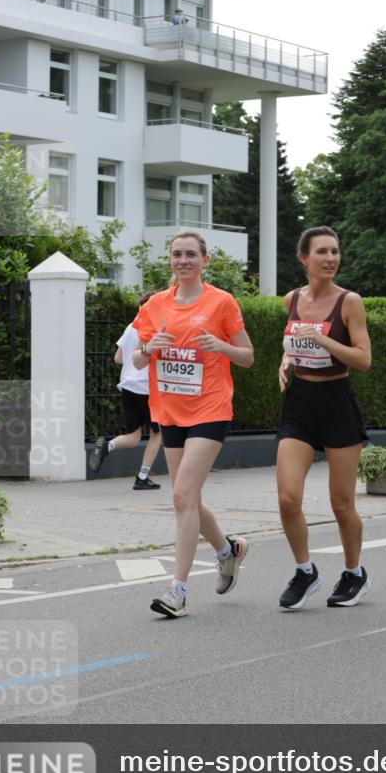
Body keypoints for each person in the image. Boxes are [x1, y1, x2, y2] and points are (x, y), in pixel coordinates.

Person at [132, 231, 254, 618]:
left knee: (182, 495)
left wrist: (223, 348)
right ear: (170, 260)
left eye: (190, 254)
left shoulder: (221, 302)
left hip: (210, 408)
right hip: (170, 412)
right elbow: (136, 360)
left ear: (204, 260)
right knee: (190, 500)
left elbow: (248, 356)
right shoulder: (155, 305)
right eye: (176, 254)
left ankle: (178, 592)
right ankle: (227, 550)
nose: (183, 260)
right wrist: (149, 349)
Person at [276, 226, 372, 610]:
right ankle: (305, 571)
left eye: (335, 251)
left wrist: (325, 341)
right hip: (300, 401)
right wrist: (286, 360)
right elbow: (292, 342)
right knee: (287, 498)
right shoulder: (291, 300)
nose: (331, 258)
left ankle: (354, 573)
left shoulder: (350, 302)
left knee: (342, 504)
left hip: (337, 402)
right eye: (322, 252)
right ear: (304, 258)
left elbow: (364, 360)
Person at [88, 292, 162, 490]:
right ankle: (142, 477)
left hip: (127, 385)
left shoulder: (131, 327)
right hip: (146, 386)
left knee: (134, 435)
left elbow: (118, 358)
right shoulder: (154, 328)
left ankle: (108, 446)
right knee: (158, 433)